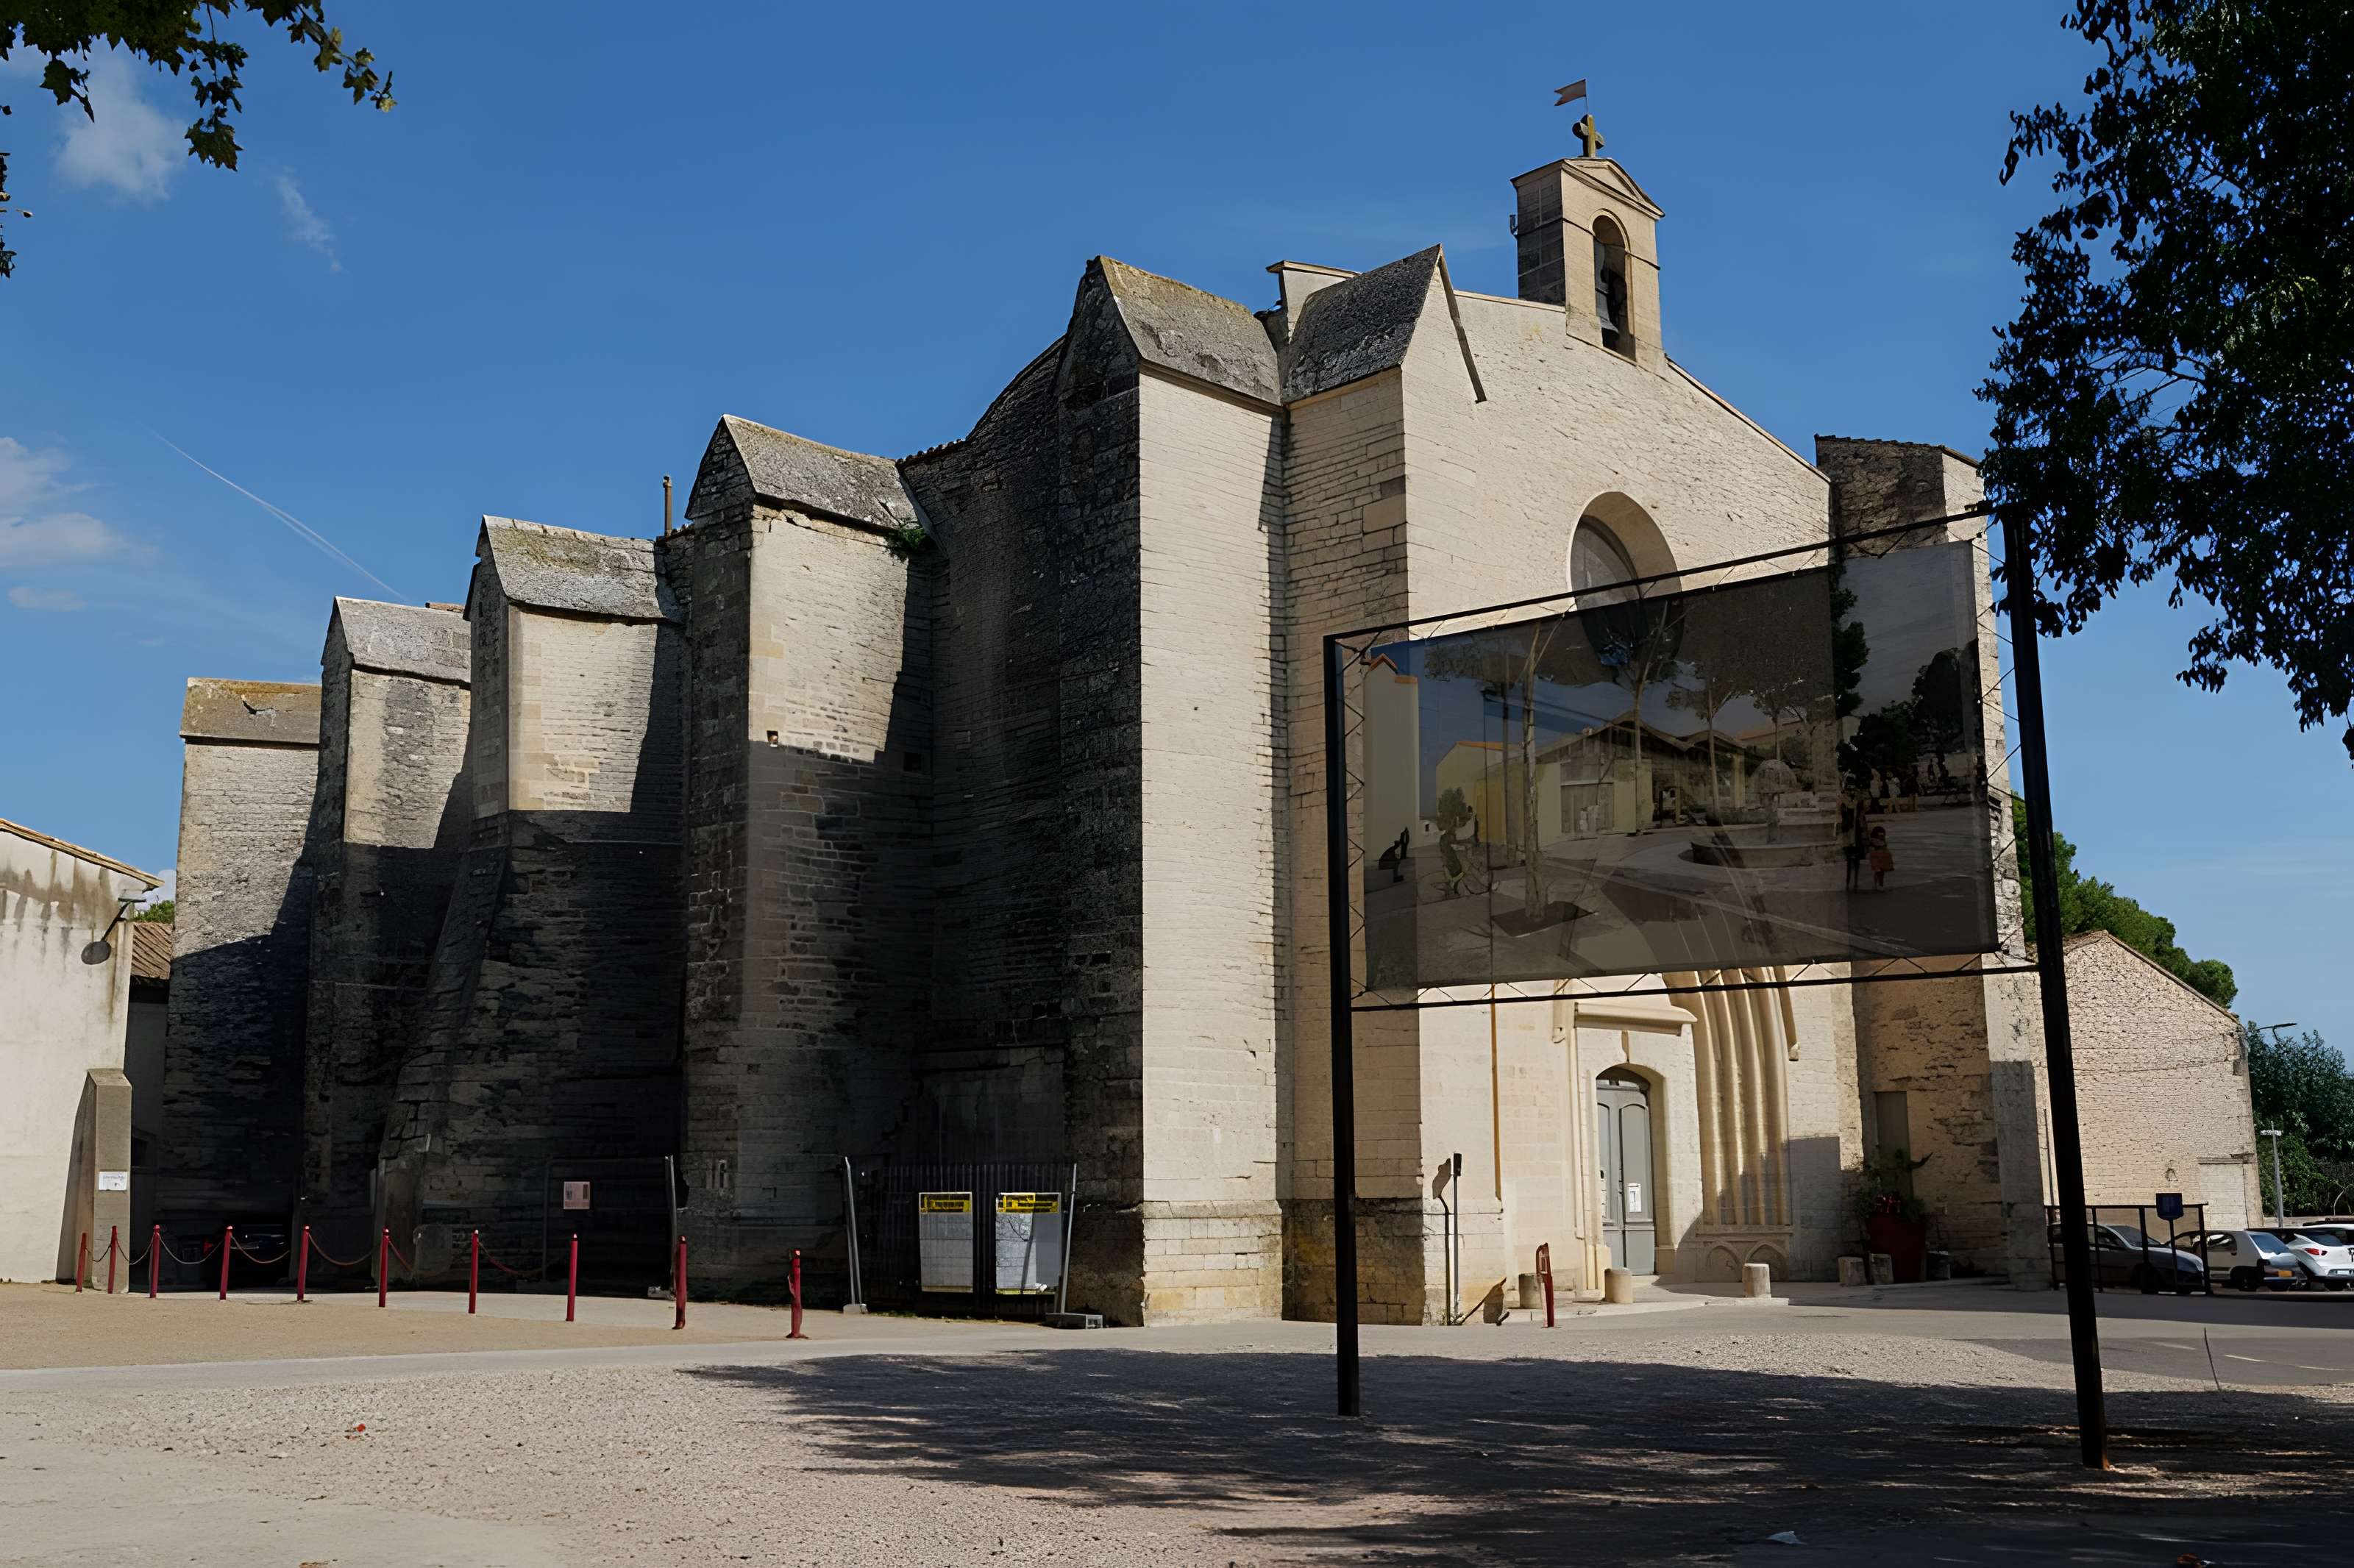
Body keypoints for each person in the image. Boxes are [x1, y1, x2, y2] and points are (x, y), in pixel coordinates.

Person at [1868, 822, 1895, 890]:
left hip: (1880, 860)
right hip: (1878, 860)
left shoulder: (1880, 841)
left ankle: (1877, 885)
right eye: (1881, 835)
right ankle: (1879, 885)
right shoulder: (1875, 842)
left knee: (1879, 872)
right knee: (1879, 872)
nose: (1882, 836)